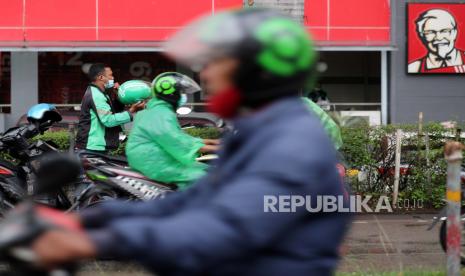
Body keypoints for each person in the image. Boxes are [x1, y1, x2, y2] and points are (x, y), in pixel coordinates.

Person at [30, 9, 351, 275]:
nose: (207, 74)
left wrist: (97, 242)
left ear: (256, 71)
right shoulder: (263, 132)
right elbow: (192, 202)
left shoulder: (291, 143)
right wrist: (87, 221)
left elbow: (220, 231)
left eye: (217, 62)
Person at [125, 72, 219, 190]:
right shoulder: (161, 113)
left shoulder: (157, 110)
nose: (182, 96)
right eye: (180, 93)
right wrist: (217, 148)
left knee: (204, 169)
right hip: (155, 163)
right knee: (206, 176)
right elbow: (176, 141)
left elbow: (180, 137)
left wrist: (213, 143)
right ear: (171, 94)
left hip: (154, 160)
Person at [75, 63, 145, 152]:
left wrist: (118, 97)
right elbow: (108, 120)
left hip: (96, 146)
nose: (113, 78)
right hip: (92, 148)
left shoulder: (101, 93)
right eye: (111, 75)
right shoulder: (97, 95)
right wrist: (131, 111)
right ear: (101, 77)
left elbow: (113, 112)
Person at [408, 9, 465, 73]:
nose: (439, 38)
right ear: (422, 36)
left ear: (455, 33)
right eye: (430, 32)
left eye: (445, 31)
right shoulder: (413, 68)